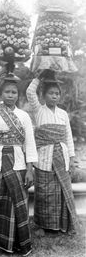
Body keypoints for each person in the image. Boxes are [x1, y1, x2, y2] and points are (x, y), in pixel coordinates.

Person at [0, 66, 38, 257]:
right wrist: (1, 71)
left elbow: (30, 143)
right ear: (1, 93)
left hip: (18, 164)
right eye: (6, 92)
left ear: (18, 95)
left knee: (16, 204)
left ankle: (19, 243)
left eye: (13, 92)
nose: (10, 95)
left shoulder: (24, 116)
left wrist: (30, 169)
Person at [26, 70, 78, 234]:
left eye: (57, 94)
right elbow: (29, 91)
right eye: (50, 93)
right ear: (43, 95)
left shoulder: (63, 114)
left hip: (61, 158)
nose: (54, 96)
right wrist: (39, 77)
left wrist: (72, 159)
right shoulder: (38, 110)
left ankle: (62, 224)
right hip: (44, 159)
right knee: (44, 192)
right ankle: (43, 225)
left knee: (61, 191)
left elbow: (68, 137)